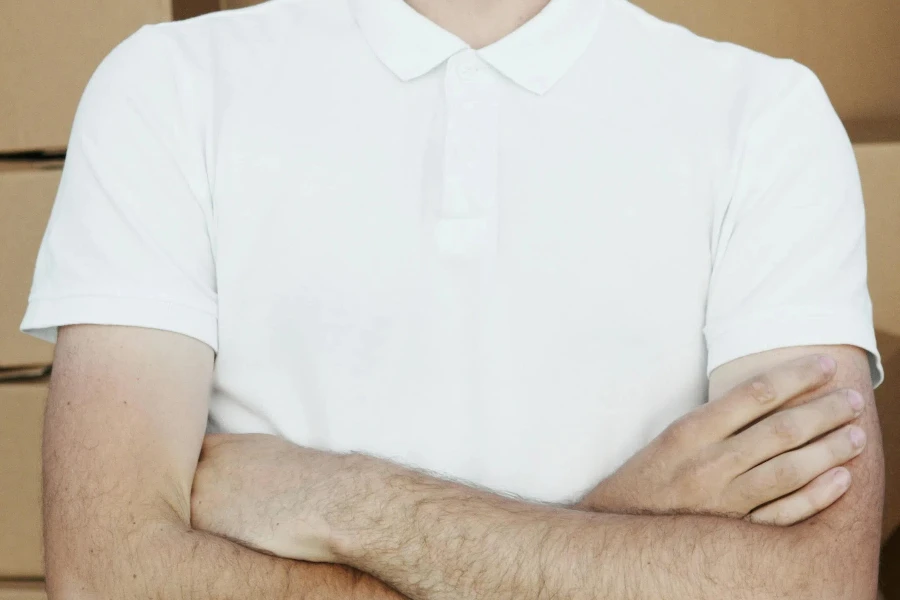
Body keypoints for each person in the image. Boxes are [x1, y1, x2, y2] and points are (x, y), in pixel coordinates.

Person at [22, 0, 885, 597]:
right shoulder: (165, 88)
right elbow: (108, 576)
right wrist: (624, 539)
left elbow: (813, 582)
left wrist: (348, 504)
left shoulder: (766, 116)